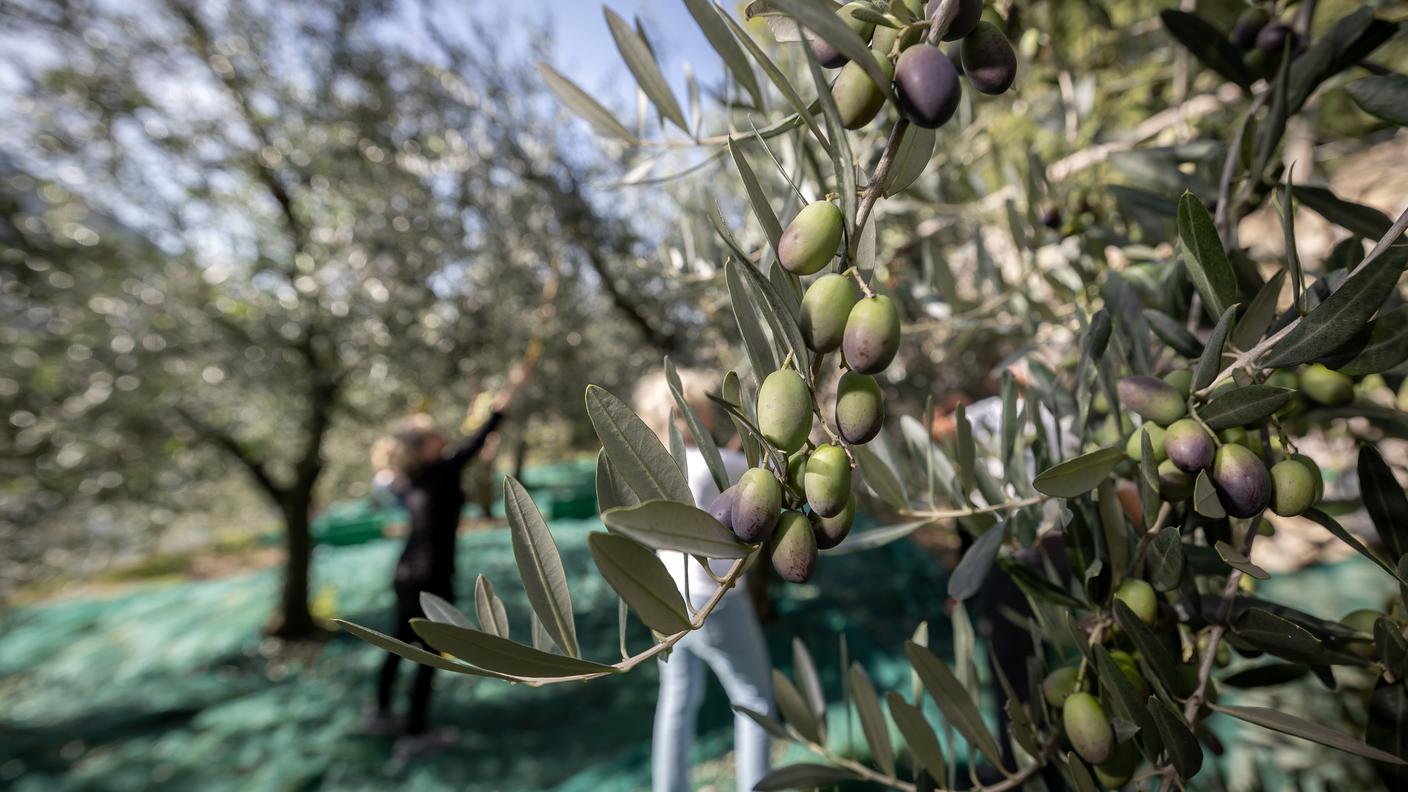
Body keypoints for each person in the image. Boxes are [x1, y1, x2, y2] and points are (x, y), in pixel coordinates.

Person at [361, 346, 538, 757]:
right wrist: (510, 392)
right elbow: (482, 435)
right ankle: (415, 733)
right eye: (434, 436)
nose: (443, 437)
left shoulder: (410, 479)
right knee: (429, 653)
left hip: (407, 571)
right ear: (425, 447)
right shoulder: (440, 471)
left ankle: (381, 712)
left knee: (400, 641)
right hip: (432, 573)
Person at [633, 369, 774, 792]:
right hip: (714, 600)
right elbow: (761, 477)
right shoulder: (713, 466)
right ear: (690, 414)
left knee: (677, 700)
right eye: (705, 410)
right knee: (754, 699)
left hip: (665, 600)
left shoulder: (648, 472)